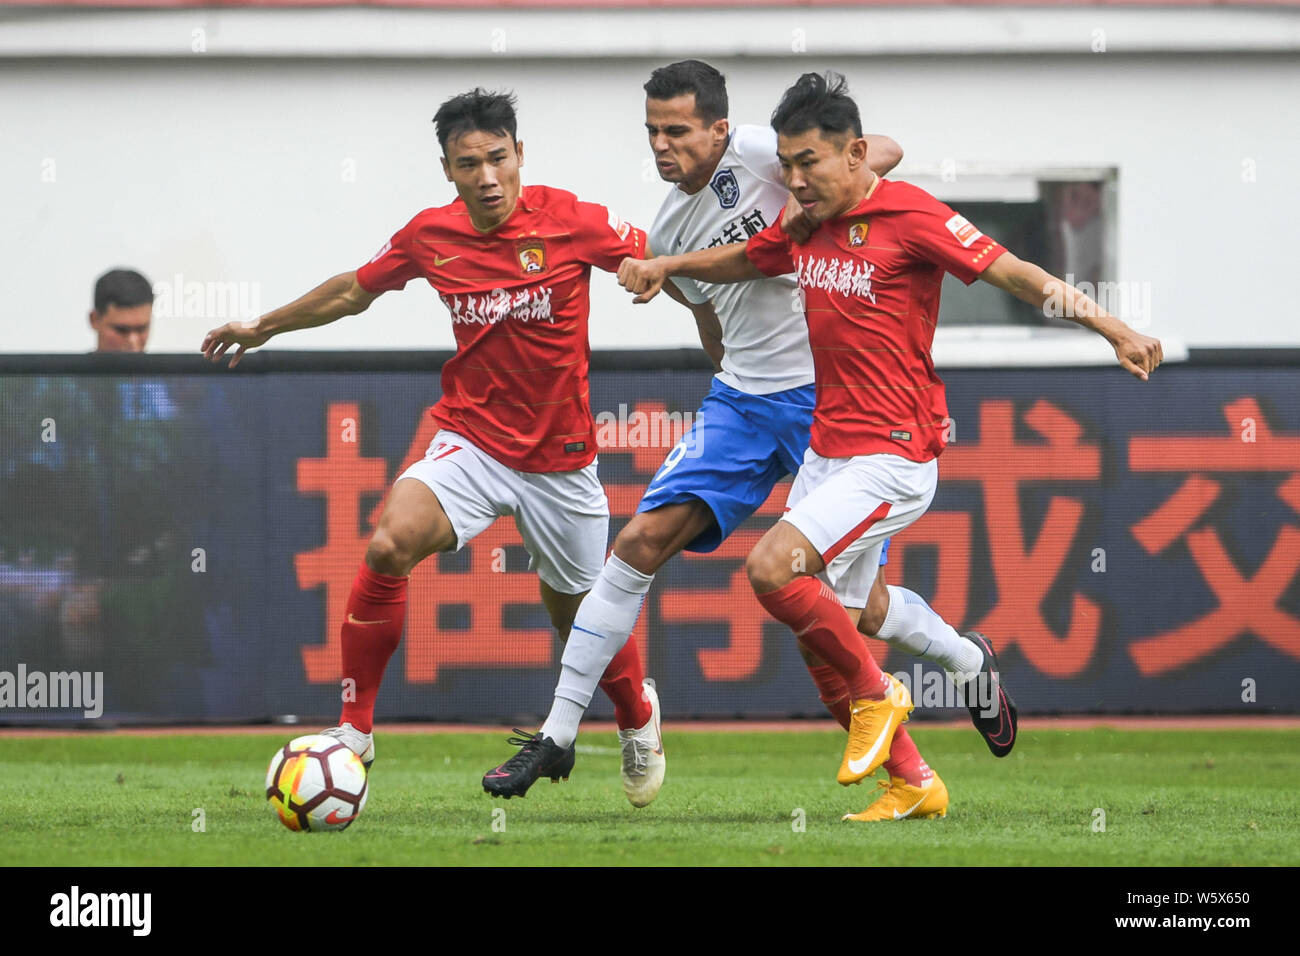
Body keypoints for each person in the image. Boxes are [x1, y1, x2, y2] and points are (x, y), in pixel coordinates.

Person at [536, 71, 1163, 821]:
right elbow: (745, 261)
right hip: (829, 447)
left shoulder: (910, 215)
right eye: (789, 167)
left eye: (810, 165)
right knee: (845, 619)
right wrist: (670, 266)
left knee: (775, 569)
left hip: (895, 453)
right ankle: (941, 722)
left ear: (856, 153)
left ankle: (881, 696)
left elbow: (1017, 276)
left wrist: (1115, 327)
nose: (794, 180)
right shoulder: (806, 226)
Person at [480, 62, 1019, 820]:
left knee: (850, 615)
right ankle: (560, 730)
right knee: (637, 544)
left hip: (833, 403)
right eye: (652, 133)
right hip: (742, 400)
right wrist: (733, 381)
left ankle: (963, 662)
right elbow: (709, 315)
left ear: (719, 130)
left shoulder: (771, 152)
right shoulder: (669, 227)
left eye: (676, 131)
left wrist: (798, 216)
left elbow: (882, 151)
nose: (662, 146)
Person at [200, 88, 662, 804]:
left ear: (519, 155)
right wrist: (265, 326)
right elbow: (355, 289)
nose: (486, 177)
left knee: (578, 616)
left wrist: (654, 274)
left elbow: (660, 256)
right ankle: (354, 730)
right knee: (389, 543)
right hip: (470, 440)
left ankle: (638, 717)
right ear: (447, 169)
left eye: (497, 159)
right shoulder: (431, 235)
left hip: (560, 461)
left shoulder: (573, 218)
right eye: (468, 163)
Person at [90, 269, 153, 352]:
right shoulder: (72, 365)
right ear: (95, 320)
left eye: (141, 329)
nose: (133, 341)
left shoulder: (168, 365)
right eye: (122, 330)